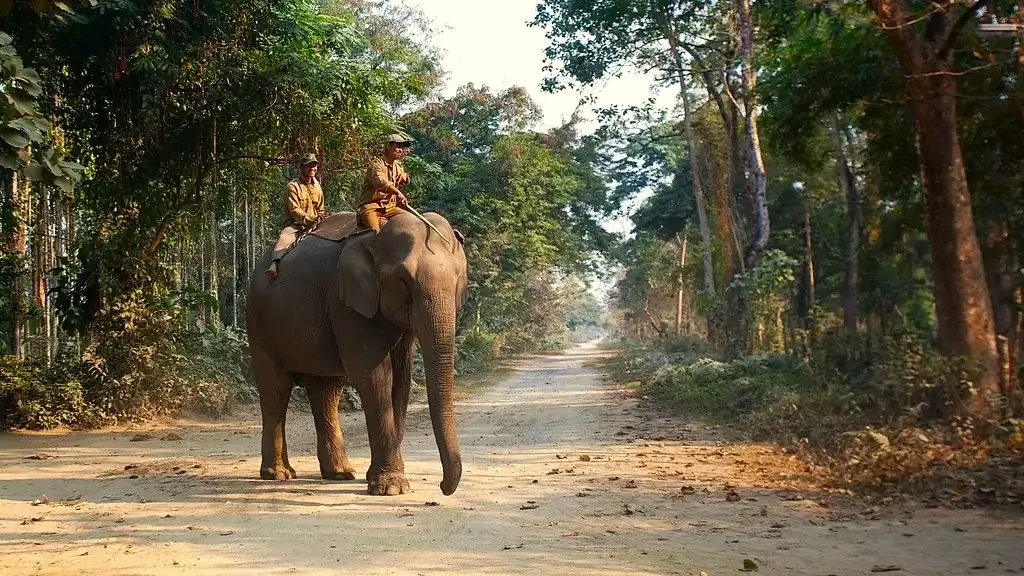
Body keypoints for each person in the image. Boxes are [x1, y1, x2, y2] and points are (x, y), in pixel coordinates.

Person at [265, 153, 326, 280]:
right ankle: (274, 263)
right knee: (285, 237)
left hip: (317, 223)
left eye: (314, 165)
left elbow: (320, 208)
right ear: (302, 168)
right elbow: (295, 210)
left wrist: (321, 218)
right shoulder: (292, 187)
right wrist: (311, 219)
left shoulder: (317, 187)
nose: (312, 168)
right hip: (296, 225)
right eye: (309, 166)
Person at [357, 134, 412, 233]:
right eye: (398, 146)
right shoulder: (376, 165)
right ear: (388, 146)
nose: (401, 150)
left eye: (402, 147)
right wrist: (397, 192)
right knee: (375, 233)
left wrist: (405, 176)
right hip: (372, 207)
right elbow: (381, 183)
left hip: (390, 208)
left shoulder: (398, 166)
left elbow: (404, 177)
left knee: (411, 223)